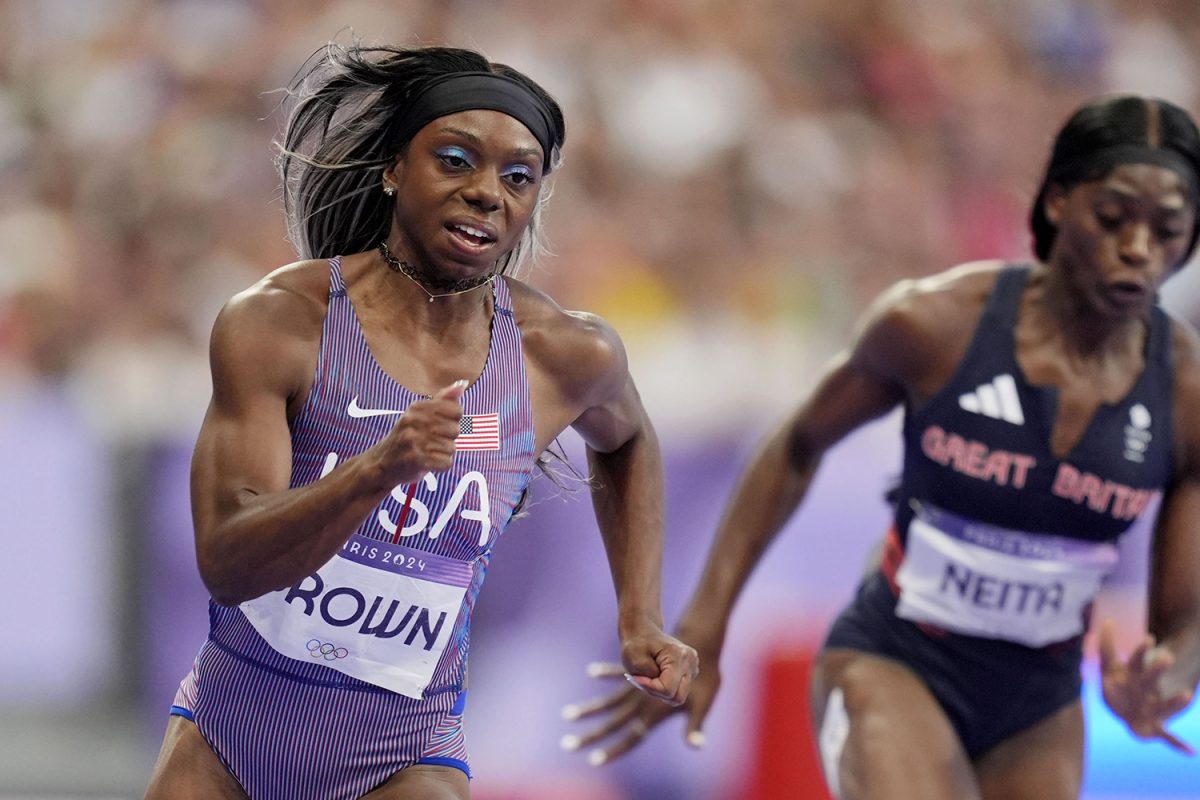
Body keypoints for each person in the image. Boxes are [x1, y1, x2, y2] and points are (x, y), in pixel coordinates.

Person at [566, 93, 1200, 799]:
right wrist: (705, 629)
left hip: (1040, 701)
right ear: (1056, 203)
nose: (1139, 248)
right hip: (898, 661)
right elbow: (796, 446)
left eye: (1168, 228)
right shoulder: (935, 324)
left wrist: (1169, 681)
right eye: (1113, 217)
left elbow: (1185, 616)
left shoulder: (1186, 393)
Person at [143, 40, 698, 800]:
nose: (486, 193)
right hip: (227, 739)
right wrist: (376, 469)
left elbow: (629, 440)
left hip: (402, 757)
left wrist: (639, 615)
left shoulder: (563, 354)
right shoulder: (280, 324)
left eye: (517, 177)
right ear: (393, 169)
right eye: (456, 160)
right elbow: (230, 564)